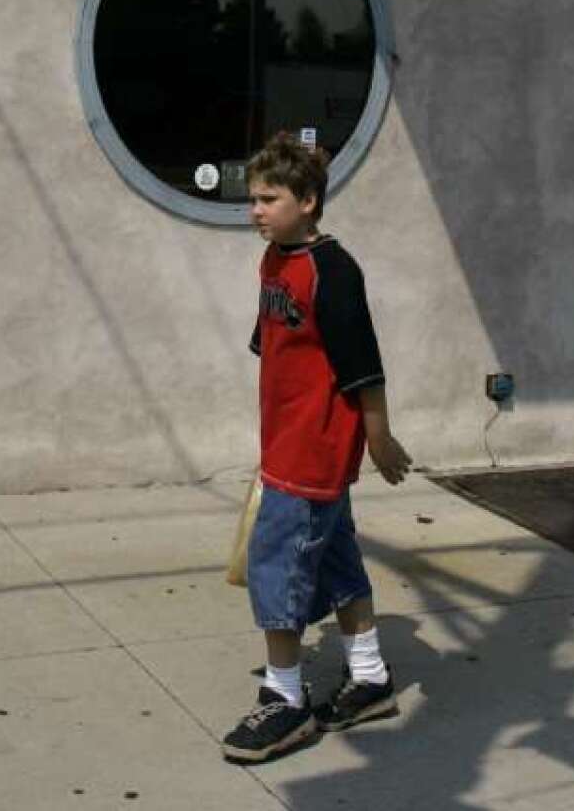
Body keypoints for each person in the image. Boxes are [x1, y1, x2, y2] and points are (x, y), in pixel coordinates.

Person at [221, 131, 412, 764]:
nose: (255, 210)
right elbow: (275, 347)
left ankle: (285, 700)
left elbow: (363, 365)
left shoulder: (333, 270)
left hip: (316, 450)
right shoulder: (275, 261)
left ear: (306, 201)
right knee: (333, 561)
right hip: (288, 443)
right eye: (252, 199)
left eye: (267, 198)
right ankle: (370, 678)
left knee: (276, 564)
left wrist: (378, 437)